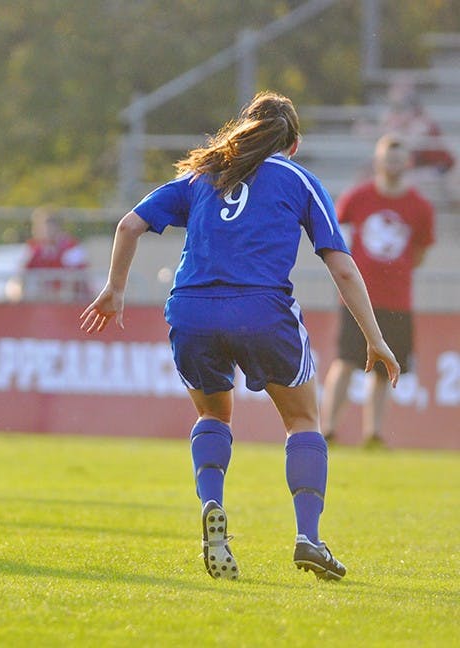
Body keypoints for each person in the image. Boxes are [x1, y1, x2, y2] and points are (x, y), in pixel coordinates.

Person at [80, 91, 400, 581]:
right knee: (303, 421)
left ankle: (213, 507)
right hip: (261, 312)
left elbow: (129, 225)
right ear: (292, 144)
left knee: (213, 413)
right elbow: (341, 265)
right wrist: (375, 338)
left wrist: (114, 289)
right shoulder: (297, 179)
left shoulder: (203, 175)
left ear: (242, 130)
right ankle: (309, 539)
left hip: (192, 310)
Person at [320, 134, 435, 448]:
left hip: (397, 300)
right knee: (345, 361)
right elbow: (336, 237)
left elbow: (421, 252)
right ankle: (328, 428)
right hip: (358, 298)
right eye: (388, 157)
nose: (393, 164)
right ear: (378, 160)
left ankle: (374, 433)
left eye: (399, 158)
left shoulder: (420, 206)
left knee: (384, 371)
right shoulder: (358, 197)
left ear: (407, 163)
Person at [21, 206, 89, 301]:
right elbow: (22, 275)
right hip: (43, 300)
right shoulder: (34, 248)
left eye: (41, 226)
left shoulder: (72, 247)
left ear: (56, 227)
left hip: (69, 302)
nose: (36, 230)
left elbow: (74, 280)